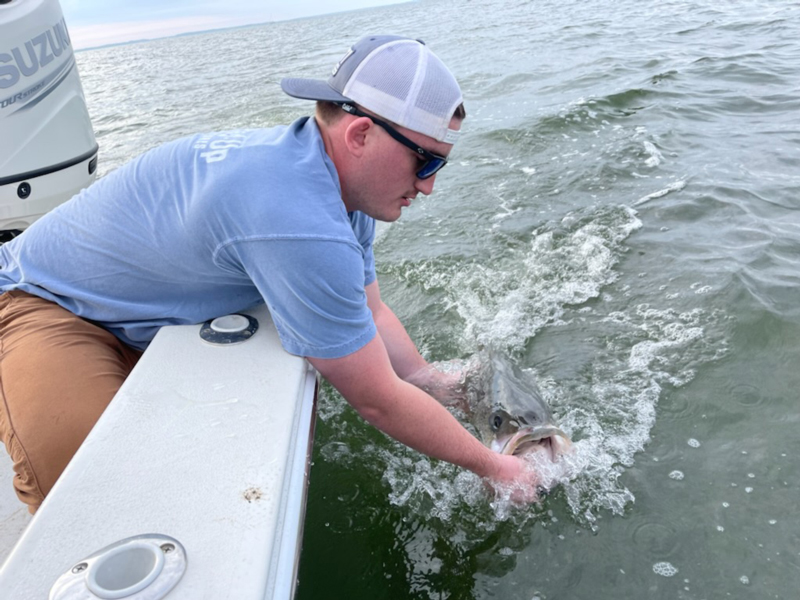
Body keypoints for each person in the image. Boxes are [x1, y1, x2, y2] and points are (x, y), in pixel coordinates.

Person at [0, 35, 539, 514]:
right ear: (360, 135)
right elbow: (374, 397)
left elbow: (370, 311)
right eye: (425, 162)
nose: (428, 186)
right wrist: (497, 469)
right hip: (38, 304)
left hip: (132, 309)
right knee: (99, 499)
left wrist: (428, 380)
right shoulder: (298, 220)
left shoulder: (335, 187)